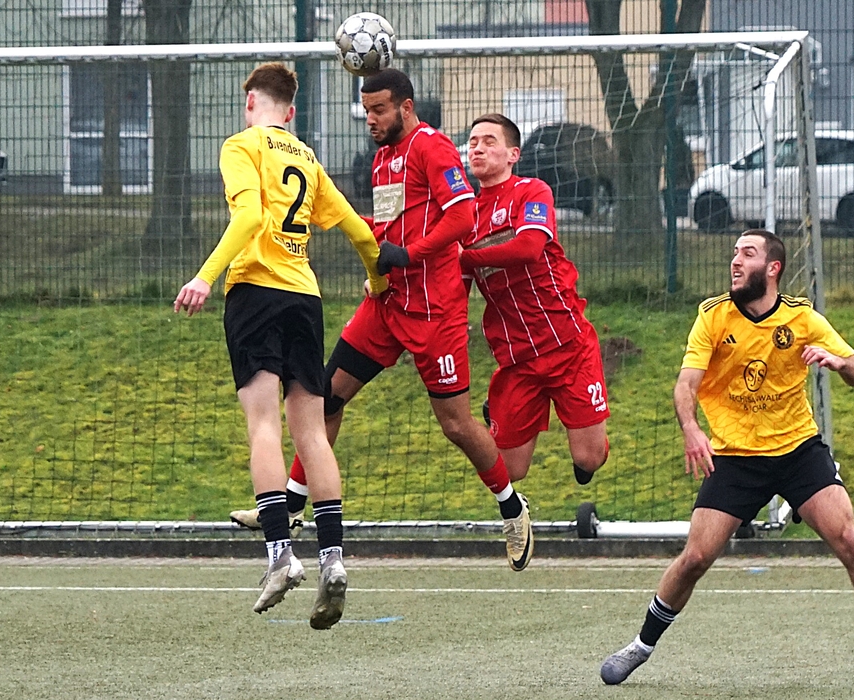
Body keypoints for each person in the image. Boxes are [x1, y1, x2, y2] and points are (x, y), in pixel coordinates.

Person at [230, 70, 534, 571]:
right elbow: (392, 223)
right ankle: (290, 506)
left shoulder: (431, 147)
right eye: (366, 110)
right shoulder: (381, 158)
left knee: (456, 424)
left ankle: (511, 506)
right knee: (326, 396)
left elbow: (462, 219)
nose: (370, 119)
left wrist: (409, 254)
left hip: (434, 311)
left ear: (406, 108)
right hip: (386, 304)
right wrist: (362, 233)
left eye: (379, 110)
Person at [599, 229, 854, 689]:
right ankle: (640, 645)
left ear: (773, 268)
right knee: (695, 558)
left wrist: (838, 363)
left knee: (850, 540)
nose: (735, 261)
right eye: (734, 252)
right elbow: (686, 384)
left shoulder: (802, 317)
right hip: (735, 457)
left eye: (747, 254)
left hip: (798, 451)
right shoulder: (713, 316)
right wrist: (691, 429)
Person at [174, 62, 387, 627]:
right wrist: (378, 281)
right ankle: (334, 559)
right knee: (312, 432)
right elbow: (360, 231)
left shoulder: (241, 146)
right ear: (290, 113)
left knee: (264, 425)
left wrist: (205, 276)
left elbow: (248, 215)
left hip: (255, 294)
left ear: (251, 101)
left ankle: (280, 555)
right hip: (304, 299)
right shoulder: (307, 158)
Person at [460, 113, 609, 485]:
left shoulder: (531, 191)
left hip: (566, 344)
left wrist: (465, 257)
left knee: (589, 458)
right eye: (473, 142)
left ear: (513, 154)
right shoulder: (464, 217)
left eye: (489, 141)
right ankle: (497, 412)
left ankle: (587, 450)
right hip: (517, 358)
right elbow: (456, 289)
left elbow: (527, 248)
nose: (478, 148)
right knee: (509, 472)